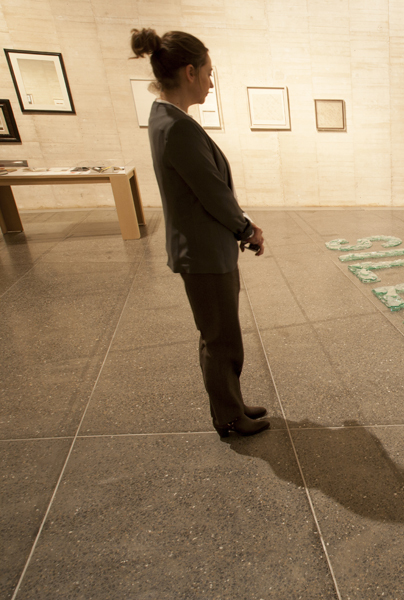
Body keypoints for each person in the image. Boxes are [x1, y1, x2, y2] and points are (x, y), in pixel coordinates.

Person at [130, 28, 270, 437]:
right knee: (221, 337)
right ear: (189, 72)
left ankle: (230, 403)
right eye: (209, 73)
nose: (211, 82)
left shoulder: (166, 118)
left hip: (202, 248)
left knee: (217, 333)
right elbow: (212, 192)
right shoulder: (177, 127)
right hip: (204, 252)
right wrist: (247, 228)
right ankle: (229, 417)